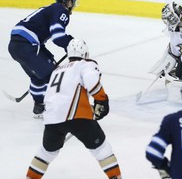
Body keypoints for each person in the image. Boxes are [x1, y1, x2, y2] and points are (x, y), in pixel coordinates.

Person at [26, 39, 122, 179]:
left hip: (52, 118)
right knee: (102, 149)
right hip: (77, 117)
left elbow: (59, 98)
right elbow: (92, 82)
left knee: (46, 153)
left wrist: (90, 107)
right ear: (85, 53)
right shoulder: (86, 64)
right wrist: (102, 100)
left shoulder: (57, 70)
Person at [8, 0, 78, 118]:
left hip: (16, 46)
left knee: (38, 77)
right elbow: (57, 36)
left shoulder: (50, 9)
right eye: (72, 2)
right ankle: (54, 108)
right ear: (68, 2)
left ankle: (39, 106)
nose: (73, 5)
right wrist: (71, 45)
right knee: (53, 75)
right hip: (28, 46)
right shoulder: (61, 11)